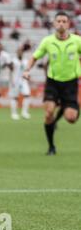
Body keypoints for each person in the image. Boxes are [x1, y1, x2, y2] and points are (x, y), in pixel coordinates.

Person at [23, 11, 81, 155]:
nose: (61, 23)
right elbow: (34, 57)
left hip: (71, 83)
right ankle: (51, 147)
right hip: (53, 82)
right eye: (59, 21)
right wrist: (26, 70)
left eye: (64, 21)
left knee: (71, 118)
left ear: (68, 24)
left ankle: (71, 105)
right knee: (49, 113)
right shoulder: (47, 41)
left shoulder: (77, 40)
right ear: (54, 24)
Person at [9, 45, 31, 120]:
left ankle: (24, 112)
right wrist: (11, 81)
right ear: (16, 52)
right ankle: (14, 113)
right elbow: (10, 72)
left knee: (27, 95)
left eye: (21, 51)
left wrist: (28, 78)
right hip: (15, 81)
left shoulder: (25, 61)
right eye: (19, 51)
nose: (20, 52)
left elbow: (27, 71)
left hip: (24, 81)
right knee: (15, 97)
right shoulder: (13, 61)